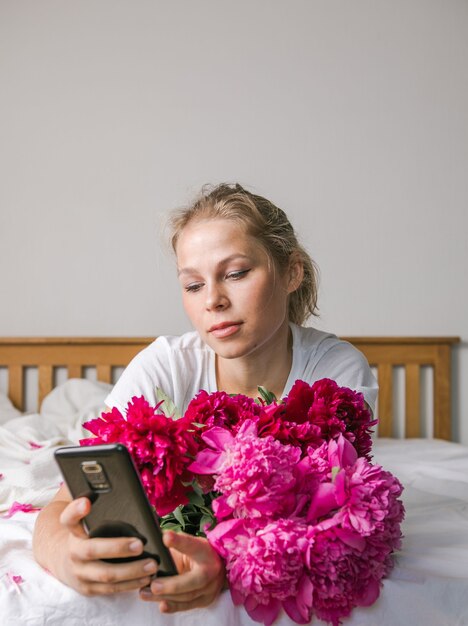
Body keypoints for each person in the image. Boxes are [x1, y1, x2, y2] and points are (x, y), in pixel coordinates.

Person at [33, 183, 378, 614]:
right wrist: (62, 553)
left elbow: (317, 522)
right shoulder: (164, 366)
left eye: (235, 274)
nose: (213, 300)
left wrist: (225, 561)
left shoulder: (336, 376)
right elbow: (63, 502)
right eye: (193, 285)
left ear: (292, 272)